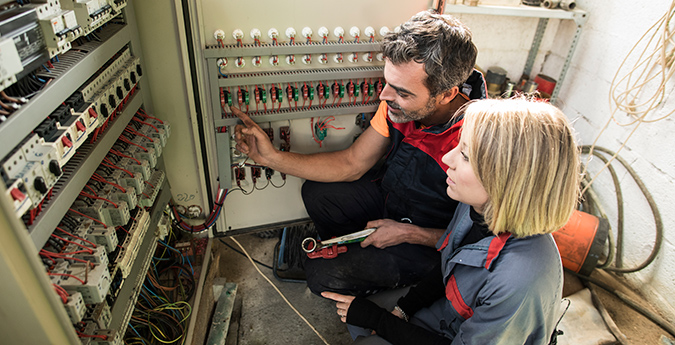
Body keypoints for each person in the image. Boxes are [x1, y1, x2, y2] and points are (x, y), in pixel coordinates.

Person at [233, 10, 486, 296]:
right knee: (319, 194)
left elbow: (479, 240)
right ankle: (358, 257)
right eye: (387, 81)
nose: (384, 96)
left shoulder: (481, 141)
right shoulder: (400, 106)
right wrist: (271, 158)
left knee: (321, 276)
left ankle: (405, 288)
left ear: (446, 94)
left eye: (401, 92)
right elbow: (352, 163)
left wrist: (408, 233)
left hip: (432, 242)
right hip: (393, 205)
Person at [322, 97, 580, 345]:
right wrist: (402, 310)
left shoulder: (520, 278)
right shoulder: (474, 208)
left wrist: (379, 319)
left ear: (508, 180)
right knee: (359, 322)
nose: (447, 159)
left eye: (465, 156)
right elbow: (449, 266)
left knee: (365, 322)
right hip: (449, 312)